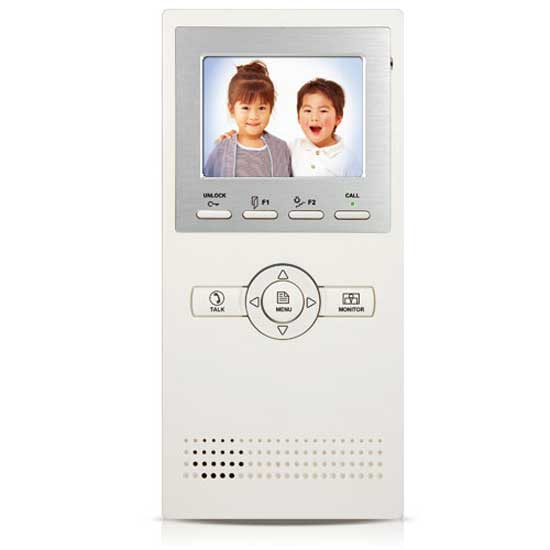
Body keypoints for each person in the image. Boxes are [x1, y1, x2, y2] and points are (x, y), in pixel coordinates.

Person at [204, 61, 292, 177]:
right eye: (245, 108)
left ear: (270, 109)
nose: (254, 116)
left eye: (261, 108)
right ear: (231, 109)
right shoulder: (221, 149)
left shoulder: (281, 148)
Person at [289, 78, 361, 177]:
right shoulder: (291, 149)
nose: (314, 118)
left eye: (323, 111)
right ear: (298, 118)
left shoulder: (348, 161)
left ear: (338, 119)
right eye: (308, 110)